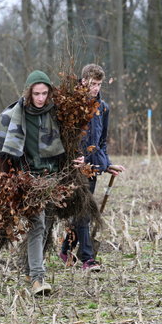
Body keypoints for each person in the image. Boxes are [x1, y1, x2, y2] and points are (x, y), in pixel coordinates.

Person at [0, 70, 64, 296]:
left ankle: (28, 268)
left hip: (51, 177)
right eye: (37, 93)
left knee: (47, 225)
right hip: (27, 178)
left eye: (45, 93)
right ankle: (37, 279)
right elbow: (3, 155)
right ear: (29, 93)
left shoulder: (55, 115)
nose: (41, 98)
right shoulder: (12, 116)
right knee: (38, 225)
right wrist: (7, 183)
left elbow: (69, 144)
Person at [59, 64, 125, 271]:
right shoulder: (71, 105)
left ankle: (65, 249)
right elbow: (62, 138)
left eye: (98, 84)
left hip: (91, 169)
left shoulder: (103, 108)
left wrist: (106, 165)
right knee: (84, 211)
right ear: (83, 81)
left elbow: (101, 142)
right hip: (72, 169)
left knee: (81, 211)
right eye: (92, 83)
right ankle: (87, 259)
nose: (95, 88)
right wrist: (71, 158)